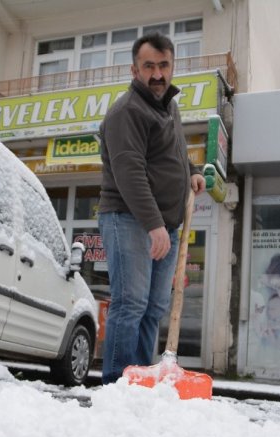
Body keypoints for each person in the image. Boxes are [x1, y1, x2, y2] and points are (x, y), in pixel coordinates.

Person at [97, 32, 205, 385]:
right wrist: (154, 224)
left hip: (164, 225)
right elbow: (130, 173)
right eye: (149, 67)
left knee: (153, 308)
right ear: (134, 69)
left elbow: (173, 151)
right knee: (130, 303)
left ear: (172, 67)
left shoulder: (169, 106)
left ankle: (142, 377)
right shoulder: (127, 111)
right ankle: (117, 382)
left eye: (163, 66)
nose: (157, 74)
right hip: (129, 219)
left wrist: (191, 171)